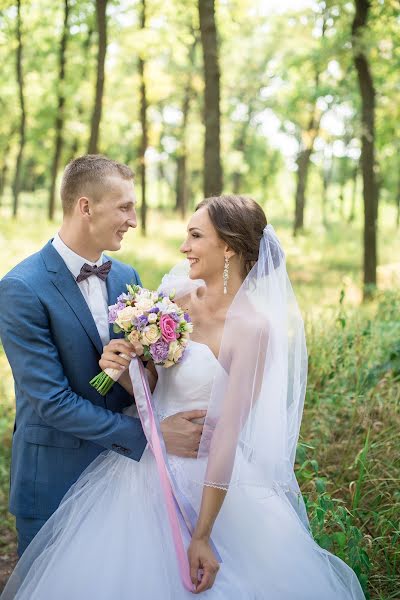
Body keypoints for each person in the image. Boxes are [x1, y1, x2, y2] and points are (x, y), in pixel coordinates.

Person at [0, 195, 366, 599]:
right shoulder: (173, 300)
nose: (183, 248)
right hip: (138, 470)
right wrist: (123, 372)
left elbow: (227, 435)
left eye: (195, 236)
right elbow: (154, 387)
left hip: (202, 474)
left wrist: (203, 534)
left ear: (228, 246)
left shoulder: (252, 330)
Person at [0, 155, 205, 558]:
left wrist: (141, 373)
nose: (133, 219)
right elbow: (51, 403)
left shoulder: (126, 276)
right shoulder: (21, 288)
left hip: (125, 482)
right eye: (124, 206)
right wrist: (154, 436)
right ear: (86, 207)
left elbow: (144, 379)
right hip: (57, 478)